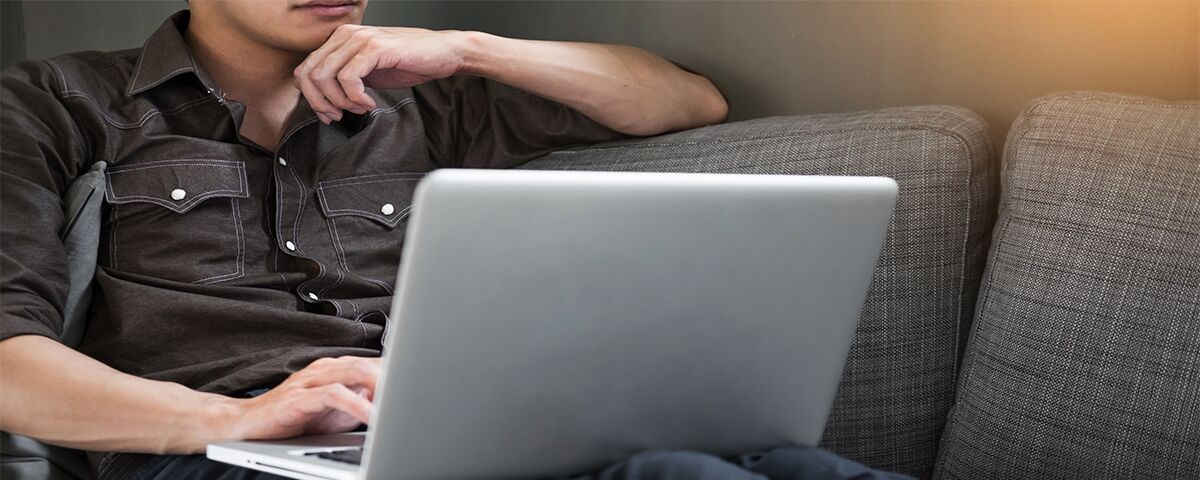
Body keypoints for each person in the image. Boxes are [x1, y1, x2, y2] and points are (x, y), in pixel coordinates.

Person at [0, 1, 909, 479]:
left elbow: (684, 100)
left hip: (439, 434)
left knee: (784, 463)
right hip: (215, 458)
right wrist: (235, 419)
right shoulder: (56, 103)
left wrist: (470, 47)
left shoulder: (423, 99)